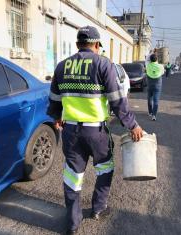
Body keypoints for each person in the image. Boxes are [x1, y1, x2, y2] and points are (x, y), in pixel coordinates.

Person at [47, 25, 143, 234]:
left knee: (72, 176)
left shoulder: (62, 66)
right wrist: (133, 125)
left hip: (71, 132)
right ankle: (98, 208)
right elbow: (118, 101)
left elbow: (54, 99)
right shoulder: (103, 64)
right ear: (97, 45)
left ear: (77, 44)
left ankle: (73, 222)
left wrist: (56, 117)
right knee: (105, 169)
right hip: (96, 133)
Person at [146, 54, 164, 121]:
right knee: (156, 100)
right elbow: (162, 73)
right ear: (157, 59)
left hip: (150, 85)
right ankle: (154, 115)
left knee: (149, 99)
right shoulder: (160, 66)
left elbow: (147, 72)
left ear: (150, 60)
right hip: (157, 85)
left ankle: (150, 112)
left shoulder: (148, 66)